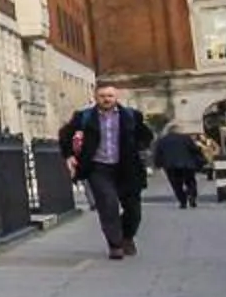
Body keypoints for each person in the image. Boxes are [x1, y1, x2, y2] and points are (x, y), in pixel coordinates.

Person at [58, 82, 154, 260]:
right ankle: (115, 244)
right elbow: (65, 134)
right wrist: (69, 155)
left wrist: (139, 148)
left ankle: (127, 237)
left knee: (133, 210)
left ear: (116, 97)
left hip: (127, 167)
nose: (106, 99)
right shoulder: (84, 117)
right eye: (102, 96)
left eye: (110, 96)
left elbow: (146, 135)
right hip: (98, 167)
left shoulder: (131, 116)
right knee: (108, 205)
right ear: (95, 97)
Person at [156, 124, 208, 210]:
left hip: (170, 166)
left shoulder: (162, 140)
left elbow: (158, 153)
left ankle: (182, 201)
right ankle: (192, 195)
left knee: (176, 184)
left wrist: (158, 164)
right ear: (177, 130)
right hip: (187, 164)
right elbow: (194, 149)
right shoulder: (185, 138)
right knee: (190, 181)